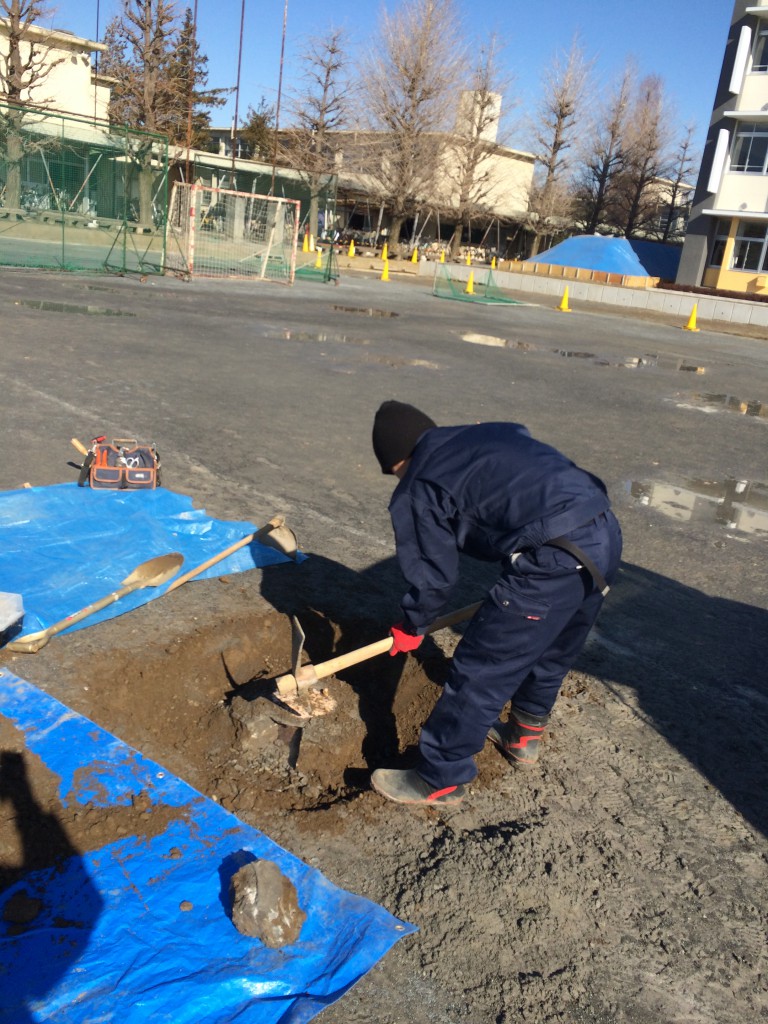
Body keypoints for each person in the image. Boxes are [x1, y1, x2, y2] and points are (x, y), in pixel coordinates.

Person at [369, 400, 623, 807]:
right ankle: (524, 735)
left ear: (398, 460)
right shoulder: (484, 433)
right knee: (553, 648)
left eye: (394, 472)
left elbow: (434, 574)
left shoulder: (419, 481)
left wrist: (411, 624)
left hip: (553, 557)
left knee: (481, 670)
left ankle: (439, 778)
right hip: (603, 531)